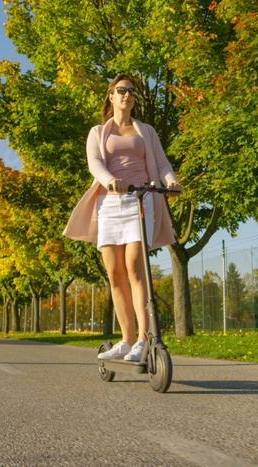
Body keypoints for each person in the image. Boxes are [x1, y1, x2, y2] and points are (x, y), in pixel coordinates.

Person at [63, 74, 181, 362]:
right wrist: (110, 180)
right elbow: (95, 163)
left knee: (135, 269)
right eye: (121, 90)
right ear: (111, 97)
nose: (127, 94)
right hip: (109, 204)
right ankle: (127, 340)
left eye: (131, 91)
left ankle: (144, 338)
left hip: (141, 200)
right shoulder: (98, 132)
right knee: (115, 274)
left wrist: (172, 181)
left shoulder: (146, 131)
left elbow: (162, 162)